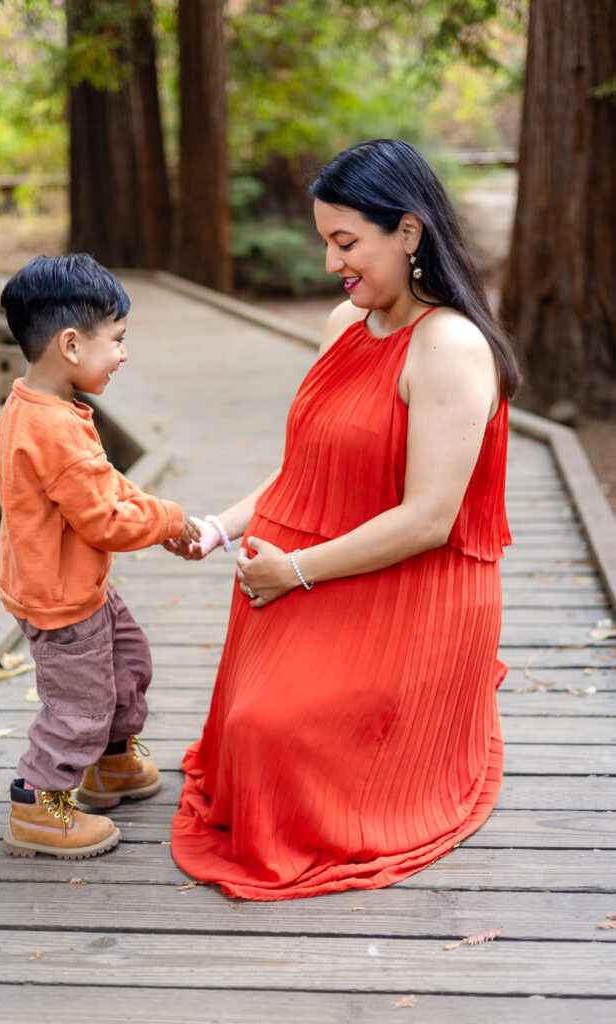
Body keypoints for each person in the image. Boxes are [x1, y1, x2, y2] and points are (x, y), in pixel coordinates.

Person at [168, 139, 521, 900]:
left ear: (409, 231)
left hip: (411, 589)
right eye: (326, 241)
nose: (332, 263)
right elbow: (305, 468)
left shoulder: (450, 347)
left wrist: (291, 573)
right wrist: (218, 528)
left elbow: (429, 518)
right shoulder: (343, 325)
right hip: (304, 576)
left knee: (270, 737)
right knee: (245, 735)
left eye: (345, 242)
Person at [0, 254, 199, 860]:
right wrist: (171, 519)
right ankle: (38, 806)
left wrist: (156, 513)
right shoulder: (51, 428)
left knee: (126, 663)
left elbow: (103, 483)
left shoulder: (44, 408)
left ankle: (110, 765)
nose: (124, 353)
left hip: (76, 584)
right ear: (72, 345)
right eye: (118, 340)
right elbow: (104, 518)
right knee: (79, 706)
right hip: (61, 600)